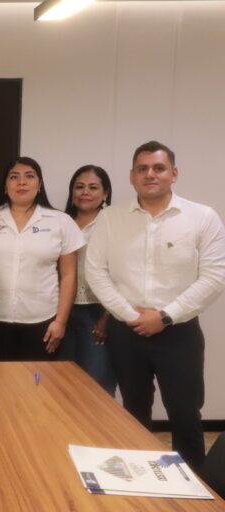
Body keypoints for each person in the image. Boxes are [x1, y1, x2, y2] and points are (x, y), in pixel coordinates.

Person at [86, 141, 225, 469]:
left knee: (185, 413)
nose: (150, 174)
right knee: (134, 411)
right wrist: (129, 315)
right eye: (142, 169)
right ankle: (139, 478)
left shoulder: (202, 217)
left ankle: (194, 482)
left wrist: (165, 316)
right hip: (127, 331)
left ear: (173, 174)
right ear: (131, 176)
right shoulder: (111, 218)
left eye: (159, 168)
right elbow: (95, 271)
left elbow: (214, 276)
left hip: (179, 332)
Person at [0, 157, 84, 360]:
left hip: (43, 321)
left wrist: (60, 322)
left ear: (40, 184)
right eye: (14, 177)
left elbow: (69, 276)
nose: (22, 182)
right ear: (5, 185)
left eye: (29, 176)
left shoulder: (61, 221)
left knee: (36, 379)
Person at [58, 165, 117, 395]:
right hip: (61, 310)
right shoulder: (60, 222)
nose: (85, 192)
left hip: (98, 312)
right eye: (79, 187)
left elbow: (122, 275)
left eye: (93, 187)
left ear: (105, 193)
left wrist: (107, 317)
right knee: (62, 382)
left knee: (96, 386)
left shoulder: (113, 224)